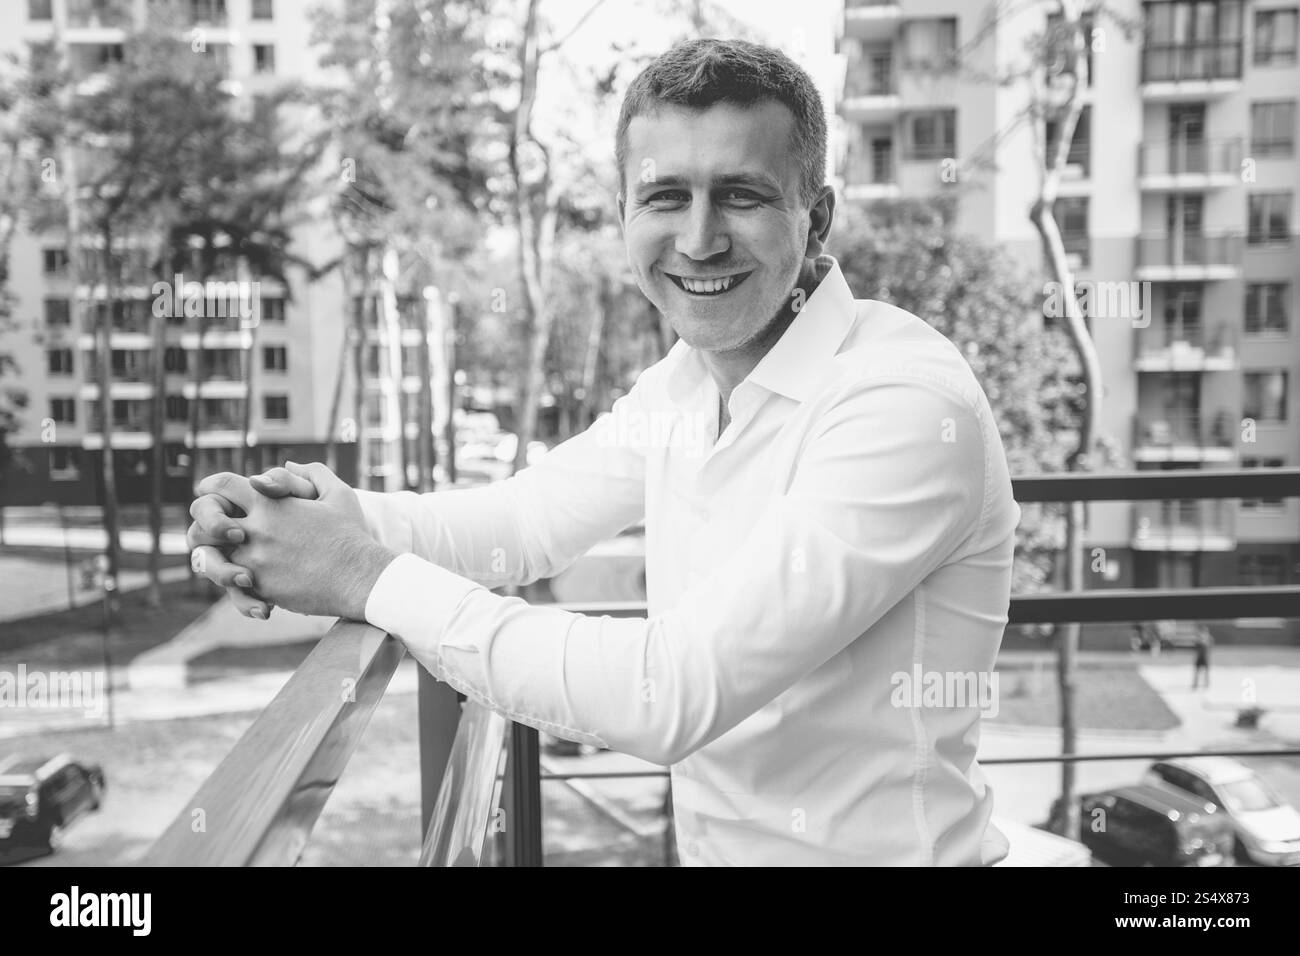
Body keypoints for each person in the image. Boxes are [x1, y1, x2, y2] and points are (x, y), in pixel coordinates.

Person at [186, 39, 1021, 866]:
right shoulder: (690, 382)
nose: (698, 240)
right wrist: (325, 517)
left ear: (817, 216)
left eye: (740, 195)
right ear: (625, 211)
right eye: (664, 197)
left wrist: (363, 576)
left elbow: (668, 695)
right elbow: (528, 519)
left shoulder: (903, 404)